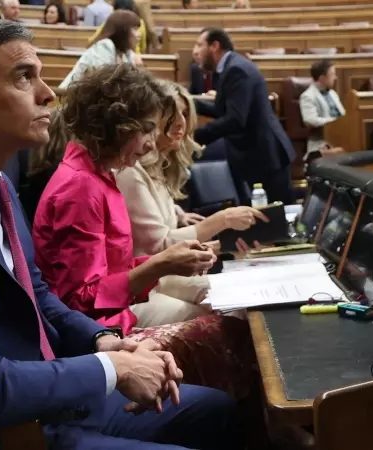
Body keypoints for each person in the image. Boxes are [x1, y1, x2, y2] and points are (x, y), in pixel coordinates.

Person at [0, 20, 240, 449]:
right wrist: (112, 368)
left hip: (40, 399)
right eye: (24, 77)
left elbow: (40, 297)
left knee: (217, 412)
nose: (48, 93)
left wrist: (103, 340)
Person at [33, 66, 259, 411]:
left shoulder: (101, 176)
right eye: (148, 129)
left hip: (117, 316)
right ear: (117, 126)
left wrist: (164, 262)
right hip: (99, 333)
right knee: (235, 330)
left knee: (236, 317)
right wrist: (160, 264)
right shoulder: (80, 187)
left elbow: (113, 270)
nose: (154, 143)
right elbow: (80, 300)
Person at [116, 81, 268, 259]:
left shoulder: (159, 167)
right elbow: (159, 248)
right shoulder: (129, 171)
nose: (181, 122)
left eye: (185, 114)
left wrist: (223, 246)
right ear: (153, 120)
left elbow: (168, 247)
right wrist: (223, 219)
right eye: (173, 114)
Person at [192, 28, 297, 205]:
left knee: (278, 216)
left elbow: (235, 119)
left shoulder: (236, 70)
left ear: (215, 46)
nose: (195, 51)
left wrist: (196, 136)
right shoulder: (231, 67)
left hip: (265, 156)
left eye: (200, 45)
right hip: (257, 155)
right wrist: (190, 103)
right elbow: (222, 109)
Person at [59, 10, 141, 89]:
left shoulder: (126, 53)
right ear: (122, 30)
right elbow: (103, 82)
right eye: (135, 29)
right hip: (70, 96)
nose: (139, 34)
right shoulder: (104, 46)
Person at [299, 59, 346, 160]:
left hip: (341, 137)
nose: (335, 78)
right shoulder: (308, 96)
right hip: (321, 142)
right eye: (332, 74)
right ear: (322, 78)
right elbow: (310, 120)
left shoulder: (333, 94)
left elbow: (344, 115)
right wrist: (335, 122)